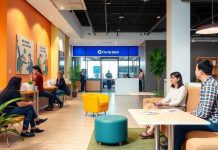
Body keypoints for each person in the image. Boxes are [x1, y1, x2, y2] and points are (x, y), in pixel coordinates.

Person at [174, 60, 218, 150]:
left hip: (213, 123)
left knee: (179, 126)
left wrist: (190, 116)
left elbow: (204, 113)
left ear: (201, 72)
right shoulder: (207, 84)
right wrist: (191, 114)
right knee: (180, 122)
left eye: (196, 69)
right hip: (208, 120)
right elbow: (201, 107)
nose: (195, 71)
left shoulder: (210, 86)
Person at [139, 72, 187, 139]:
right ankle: (151, 128)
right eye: (170, 78)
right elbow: (167, 99)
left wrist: (164, 104)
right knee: (154, 106)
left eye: (173, 78)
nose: (171, 79)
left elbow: (177, 102)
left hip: (179, 108)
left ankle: (150, 130)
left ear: (178, 78)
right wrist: (160, 101)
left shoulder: (182, 88)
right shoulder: (172, 88)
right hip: (172, 107)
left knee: (158, 108)